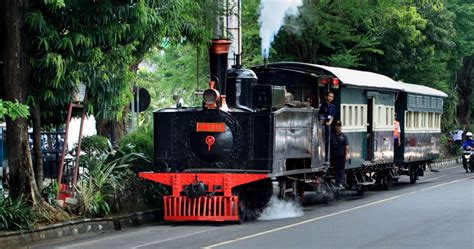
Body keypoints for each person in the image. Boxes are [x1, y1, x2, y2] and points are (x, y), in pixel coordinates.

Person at [330, 120, 349, 188]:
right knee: (334, 170)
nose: (338, 127)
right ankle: (336, 182)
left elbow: (346, 146)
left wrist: (346, 155)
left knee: (340, 170)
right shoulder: (331, 135)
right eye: (336, 126)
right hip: (333, 156)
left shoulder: (344, 136)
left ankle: (339, 183)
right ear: (334, 127)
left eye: (339, 126)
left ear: (341, 127)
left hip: (341, 156)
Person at [319, 91, 336, 162]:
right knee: (322, 140)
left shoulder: (333, 106)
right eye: (329, 96)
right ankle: (322, 157)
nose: (330, 98)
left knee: (328, 140)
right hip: (322, 124)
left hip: (328, 125)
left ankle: (327, 158)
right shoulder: (323, 105)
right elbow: (320, 115)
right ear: (326, 97)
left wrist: (329, 122)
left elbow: (332, 116)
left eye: (332, 97)